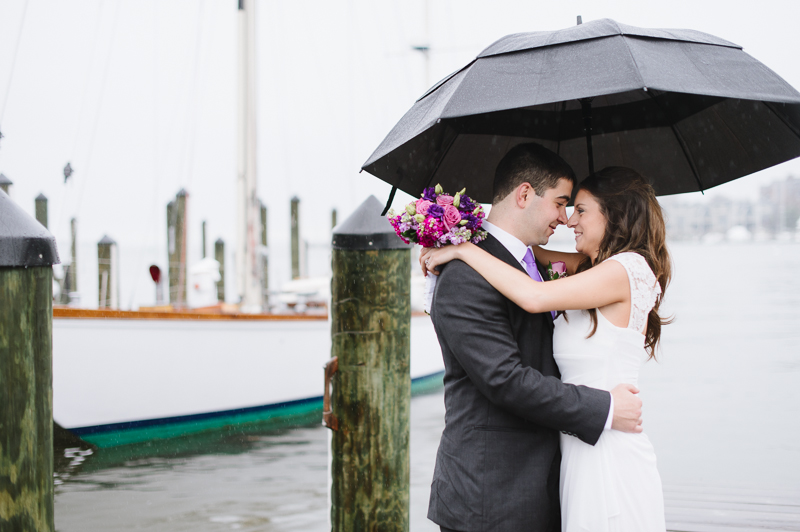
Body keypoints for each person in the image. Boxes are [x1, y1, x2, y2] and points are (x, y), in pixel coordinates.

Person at [422, 163, 671, 531]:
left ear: (614, 216)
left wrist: (464, 251)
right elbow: (528, 255)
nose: (569, 220)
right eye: (563, 205)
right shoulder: (586, 268)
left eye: (579, 209)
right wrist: (454, 233)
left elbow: (535, 295)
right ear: (524, 194)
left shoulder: (625, 269)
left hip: (606, 443)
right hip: (550, 464)